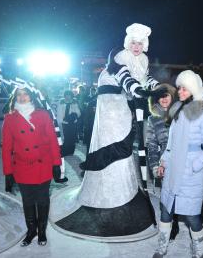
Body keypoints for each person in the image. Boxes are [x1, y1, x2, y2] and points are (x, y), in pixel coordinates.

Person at [56, 23, 158, 238]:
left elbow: (145, 78)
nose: (137, 46)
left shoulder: (144, 60)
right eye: (133, 42)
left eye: (140, 43)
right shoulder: (120, 56)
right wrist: (137, 90)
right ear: (127, 43)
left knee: (124, 139)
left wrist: (156, 87)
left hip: (122, 100)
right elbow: (125, 77)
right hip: (111, 102)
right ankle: (107, 191)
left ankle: (125, 188)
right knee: (115, 137)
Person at [153, 70, 203, 258]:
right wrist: (163, 162)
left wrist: (194, 167)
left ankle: (199, 250)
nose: (179, 92)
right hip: (173, 170)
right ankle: (162, 247)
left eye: (184, 89)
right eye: (179, 88)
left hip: (189, 173)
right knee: (166, 210)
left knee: (192, 216)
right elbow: (170, 145)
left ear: (193, 91)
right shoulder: (177, 113)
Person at [1, 87, 62, 246]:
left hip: (43, 165)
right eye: (19, 95)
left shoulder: (42, 114)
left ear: (32, 96)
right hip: (22, 167)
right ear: (15, 98)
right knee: (27, 201)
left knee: (42, 200)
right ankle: (31, 230)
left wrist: (56, 164)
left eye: (25, 94)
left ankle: (41, 231)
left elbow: (53, 141)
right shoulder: (9, 118)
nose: (22, 97)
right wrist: (8, 172)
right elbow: (7, 147)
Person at [145, 83, 176, 187]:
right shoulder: (153, 119)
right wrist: (155, 167)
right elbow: (152, 146)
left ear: (172, 96)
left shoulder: (180, 114)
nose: (164, 98)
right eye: (160, 96)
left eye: (166, 95)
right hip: (165, 164)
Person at [57, 90, 81, 156]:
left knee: (72, 137)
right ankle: (64, 151)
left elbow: (78, 112)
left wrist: (75, 116)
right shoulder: (61, 102)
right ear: (65, 96)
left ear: (71, 96)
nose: (68, 97)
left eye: (69, 95)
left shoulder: (74, 102)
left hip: (72, 122)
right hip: (64, 122)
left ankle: (71, 151)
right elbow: (59, 113)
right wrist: (61, 121)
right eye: (66, 95)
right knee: (65, 137)